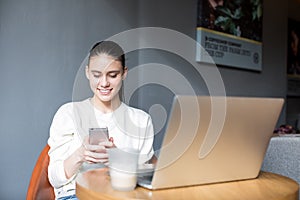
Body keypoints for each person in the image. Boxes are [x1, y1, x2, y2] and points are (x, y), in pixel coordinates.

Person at [47, 41, 156, 200]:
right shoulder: (69, 113)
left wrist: (117, 157)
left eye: (112, 75)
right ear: (87, 73)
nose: (104, 83)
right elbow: (55, 180)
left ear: (124, 73)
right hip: (75, 195)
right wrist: (80, 154)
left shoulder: (141, 120)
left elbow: (144, 180)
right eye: (97, 75)